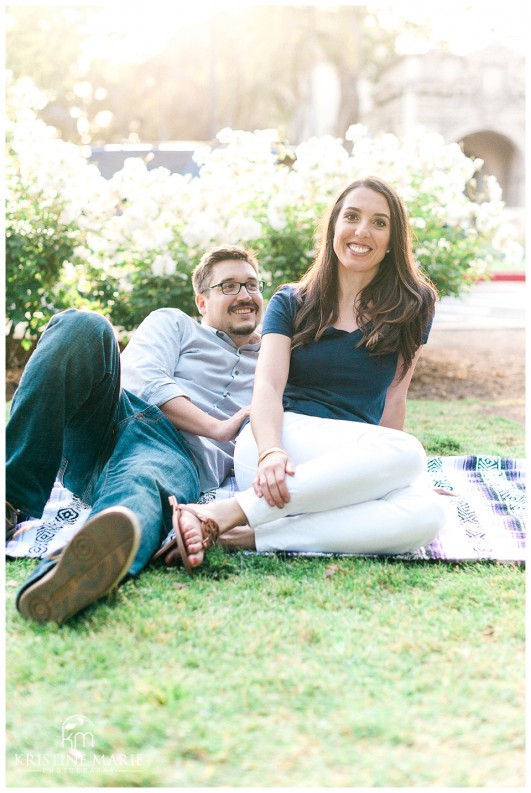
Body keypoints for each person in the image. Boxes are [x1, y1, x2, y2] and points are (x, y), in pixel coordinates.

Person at [164, 177, 447, 570]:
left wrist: (390, 474)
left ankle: (246, 535)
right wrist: (270, 451)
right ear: (334, 226)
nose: (362, 231)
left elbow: (394, 400)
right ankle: (229, 510)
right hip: (276, 448)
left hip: (348, 459)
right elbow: (267, 386)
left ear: (392, 238)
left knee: (427, 514)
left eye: (379, 223)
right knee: (409, 453)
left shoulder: (414, 304)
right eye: (352, 217)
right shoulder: (292, 300)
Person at [6, 245, 263, 623]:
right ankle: (9, 503)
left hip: (173, 455)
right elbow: (143, 377)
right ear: (202, 302)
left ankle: (66, 574)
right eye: (228, 286)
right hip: (115, 413)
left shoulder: (277, 359)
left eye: (252, 284)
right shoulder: (175, 323)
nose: (244, 295)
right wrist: (217, 428)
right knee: (83, 326)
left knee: (140, 489)